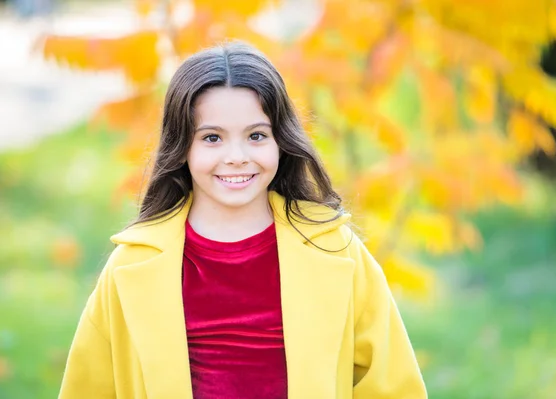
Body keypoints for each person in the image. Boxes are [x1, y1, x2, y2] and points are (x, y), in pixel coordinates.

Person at [58, 41, 427, 399]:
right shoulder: (133, 265)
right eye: (212, 138)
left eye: (256, 135)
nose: (236, 156)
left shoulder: (336, 251)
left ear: (281, 141)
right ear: (182, 146)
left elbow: (393, 388)